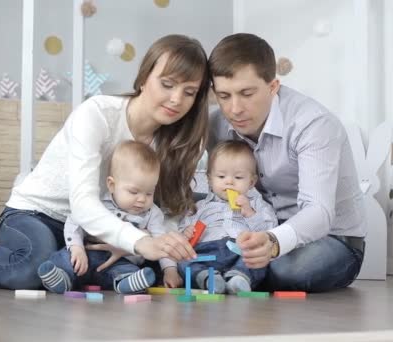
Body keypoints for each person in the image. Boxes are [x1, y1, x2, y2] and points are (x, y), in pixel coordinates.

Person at [0, 34, 211, 289]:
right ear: (144, 78)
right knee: (31, 269)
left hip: (94, 229)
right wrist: (138, 241)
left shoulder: (175, 142)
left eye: (189, 92)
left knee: (143, 267)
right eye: (167, 85)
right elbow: (83, 204)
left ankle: (25, 257)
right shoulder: (97, 113)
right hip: (37, 213)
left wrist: (141, 244)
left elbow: (164, 211)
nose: (176, 100)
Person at [207, 33, 366, 292]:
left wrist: (272, 241)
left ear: (273, 86)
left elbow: (319, 212)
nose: (234, 109)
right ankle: (235, 272)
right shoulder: (217, 124)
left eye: (246, 93)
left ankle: (230, 272)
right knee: (204, 251)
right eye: (224, 96)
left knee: (288, 270)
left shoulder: (313, 124)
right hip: (257, 231)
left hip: (333, 239)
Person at [38, 140, 184, 294]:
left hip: (121, 261)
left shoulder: (152, 213)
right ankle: (62, 279)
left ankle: (126, 282)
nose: (142, 199)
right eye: (134, 192)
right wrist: (76, 248)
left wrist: (170, 271)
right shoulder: (98, 204)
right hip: (87, 255)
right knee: (65, 258)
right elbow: (75, 220)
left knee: (128, 270)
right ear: (112, 185)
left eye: (149, 193)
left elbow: (161, 243)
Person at [177, 140, 277, 294]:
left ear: (251, 182)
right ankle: (208, 279)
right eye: (221, 176)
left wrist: (250, 213)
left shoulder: (258, 206)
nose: (229, 182)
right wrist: (186, 232)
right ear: (210, 180)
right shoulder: (200, 206)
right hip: (206, 251)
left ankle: (239, 279)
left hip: (239, 251)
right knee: (183, 261)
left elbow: (269, 234)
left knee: (259, 259)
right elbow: (183, 228)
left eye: (238, 177)